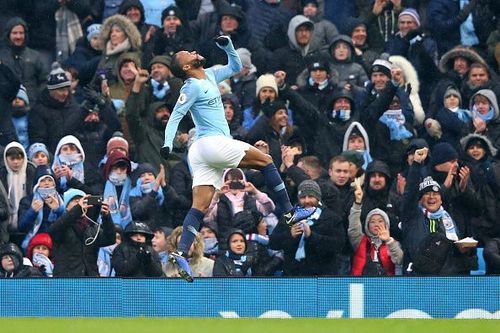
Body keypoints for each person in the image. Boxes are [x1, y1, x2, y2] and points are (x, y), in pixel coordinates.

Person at [160, 35, 314, 282]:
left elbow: (235, 66)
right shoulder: (191, 86)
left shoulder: (209, 75)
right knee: (266, 160)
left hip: (202, 154)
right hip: (210, 144)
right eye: (188, 53)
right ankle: (289, 213)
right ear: (187, 67)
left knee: (198, 207)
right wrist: (167, 144)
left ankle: (180, 253)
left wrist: (228, 46)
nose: (193, 50)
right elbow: (176, 116)